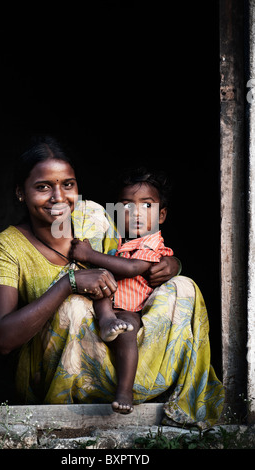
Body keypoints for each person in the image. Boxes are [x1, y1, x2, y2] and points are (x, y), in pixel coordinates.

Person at [0, 135, 225, 430]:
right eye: (42, 187)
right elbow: (2, 340)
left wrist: (173, 264)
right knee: (73, 306)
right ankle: (74, 405)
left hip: (121, 346)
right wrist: (68, 283)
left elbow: (140, 242)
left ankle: (145, 389)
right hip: (58, 369)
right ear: (20, 193)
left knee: (184, 287)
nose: (59, 198)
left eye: (68, 184)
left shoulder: (95, 215)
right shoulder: (9, 245)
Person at [69, 168, 174, 413]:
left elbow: (131, 268)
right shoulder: (117, 242)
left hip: (130, 308)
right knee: (98, 284)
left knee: (127, 331)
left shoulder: (152, 243)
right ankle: (106, 321)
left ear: (162, 215)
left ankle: (125, 391)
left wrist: (90, 254)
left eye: (147, 206)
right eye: (127, 206)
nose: (136, 213)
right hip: (109, 301)